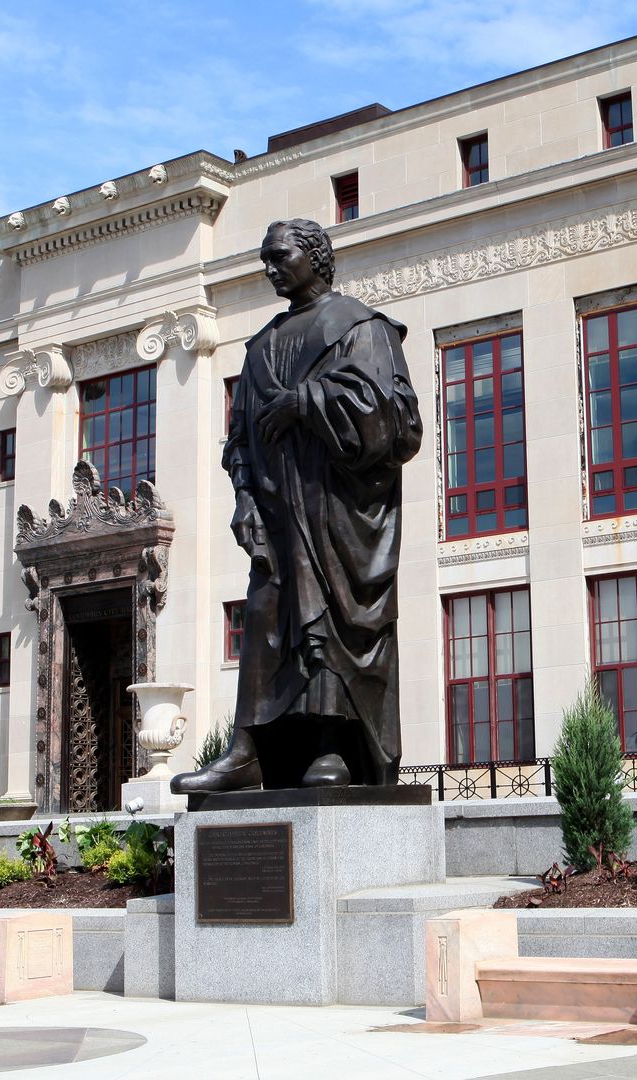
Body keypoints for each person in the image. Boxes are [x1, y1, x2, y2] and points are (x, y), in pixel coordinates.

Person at [173, 219, 421, 793]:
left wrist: (308, 402)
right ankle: (247, 750)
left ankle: (332, 744)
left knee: (327, 621)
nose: (269, 269)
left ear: (315, 255)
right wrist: (244, 502)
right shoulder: (260, 346)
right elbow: (238, 441)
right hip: (279, 514)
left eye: (279, 256)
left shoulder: (360, 327)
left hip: (337, 512)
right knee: (264, 616)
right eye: (263, 259)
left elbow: (397, 420)